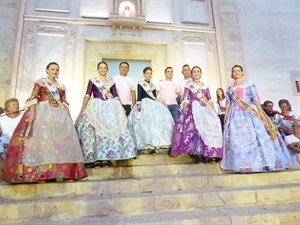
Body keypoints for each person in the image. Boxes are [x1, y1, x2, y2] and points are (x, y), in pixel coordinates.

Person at [2, 62, 88, 183]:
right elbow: (33, 98)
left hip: (59, 116)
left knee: (60, 145)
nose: (54, 71)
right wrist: (32, 113)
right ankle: (42, 174)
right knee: (44, 144)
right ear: (47, 70)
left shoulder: (61, 86)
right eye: (52, 69)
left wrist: (68, 116)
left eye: (56, 70)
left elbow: (64, 102)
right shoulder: (40, 82)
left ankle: (64, 173)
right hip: (43, 115)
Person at [220, 65, 292, 173]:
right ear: (232, 74)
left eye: (238, 71)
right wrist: (226, 113)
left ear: (242, 72)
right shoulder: (230, 88)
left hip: (249, 113)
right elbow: (228, 102)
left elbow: (255, 98)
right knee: (237, 139)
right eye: (234, 71)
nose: (236, 73)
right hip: (234, 115)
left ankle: (260, 163)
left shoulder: (249, 84)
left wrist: (260, 111)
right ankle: (241, 164)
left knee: (255, 137)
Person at [75, 61, 136, 168]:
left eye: (105, 68)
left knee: (109, 133)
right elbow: (88, 95)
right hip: (96, 107)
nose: (103, 70)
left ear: (107, 70)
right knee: (95, 132)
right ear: (98, 69)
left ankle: (106, 158)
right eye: (101, 68)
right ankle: (95, 158)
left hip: (110, 108)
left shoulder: (111, 82)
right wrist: (82, 109)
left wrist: (121, 109)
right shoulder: (93, 81)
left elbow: (115, 97)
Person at [170, 66, 223, 163]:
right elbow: (185, 99)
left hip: (205, 110)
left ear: (201, 73)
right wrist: (184, 112)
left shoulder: (205, 85)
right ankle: (198, 154)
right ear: (191, 74)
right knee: (197, 132)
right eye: (194, 72)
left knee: (208, 130)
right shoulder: (188, 85)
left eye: (198, 71)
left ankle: (208, 154)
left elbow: (209, 99)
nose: (196, 73)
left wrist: (213, 112)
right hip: (194, 109)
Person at [128, 67, 174, 154]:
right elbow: (140, 95)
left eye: (150, 73)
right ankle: (144, 143)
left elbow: (154, 97)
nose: (149, 75)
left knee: (154, 124)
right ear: (144, 74)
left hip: (152, 104)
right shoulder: (140, 83)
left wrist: (160, 101)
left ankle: (153, 143)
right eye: (147, 73)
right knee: (144, 124)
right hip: (144, 103)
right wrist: (138, 104)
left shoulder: (153, 85)